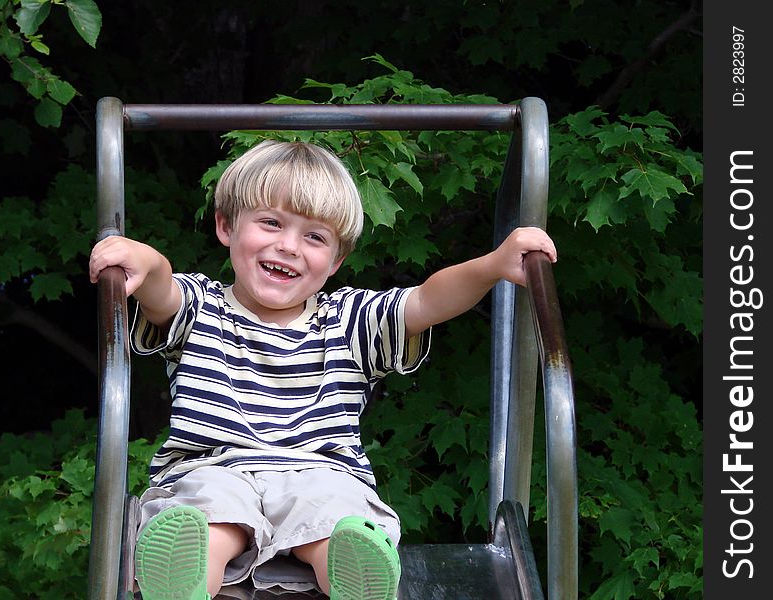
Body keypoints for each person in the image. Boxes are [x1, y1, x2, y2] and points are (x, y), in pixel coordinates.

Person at [88, 140, 557, 600]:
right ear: (226, 225)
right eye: (271, 223)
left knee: (334, 517)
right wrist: (143, 260)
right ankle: (184, 578)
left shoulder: (349, 319)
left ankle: (353, 577)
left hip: (320, 471)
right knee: (207, 515)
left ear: (336, 261)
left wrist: (493, 265)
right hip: (215, 468)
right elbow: (160, 288)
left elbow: (428, 300)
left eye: (314, 236)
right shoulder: (200, 306)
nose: (289, 246)